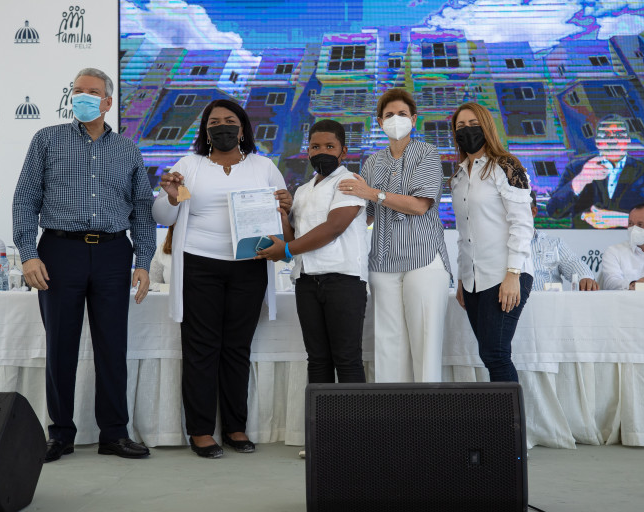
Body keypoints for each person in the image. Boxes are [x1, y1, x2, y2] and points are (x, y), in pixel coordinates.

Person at [12, 68, 155, 462]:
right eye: (77, 90)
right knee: (60, 345)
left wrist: (143, 261)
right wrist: (28, 253)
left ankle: (114, 434)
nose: (83, 97)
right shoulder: (46, 139)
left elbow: (143, 209)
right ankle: (59, 434)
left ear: (108, 101)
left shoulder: (128, 149)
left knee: (113, 345)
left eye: (92, 92)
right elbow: (25, 199)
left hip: (113, 252)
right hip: (60, 251)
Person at [152, 99, 292, 459]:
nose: (222, 127)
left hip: (249, 265)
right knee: (201, 348)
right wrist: (171, 197)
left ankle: (234, 427)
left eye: (230, 120)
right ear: (205, 130)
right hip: (199, 264)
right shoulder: (191, 167)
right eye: (214, 122)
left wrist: (286, 208)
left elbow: (283, 214)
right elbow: (165, 216)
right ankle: (200, 430)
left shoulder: (263, 167)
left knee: (237, 347)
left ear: (242, 128)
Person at [339, 88, 451, 383]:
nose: (396, 119)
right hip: (382, 261)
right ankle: (393, 410)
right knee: (388, 346)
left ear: (414, 119)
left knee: (425, 343)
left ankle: (429, 406)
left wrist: (373, 193)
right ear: (379, 122)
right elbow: (366, 214)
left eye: (402, 114)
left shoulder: (427, 153)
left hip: (423, 258)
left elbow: (419, 205)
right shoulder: (372, 162)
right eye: (389, 115)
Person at [256, 120, 368, 384]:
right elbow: (294, 239)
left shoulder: (349, 182)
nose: (322, 152)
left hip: (344, 280)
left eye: (330, 146)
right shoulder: (303, 190)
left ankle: (355, 415)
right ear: (307, 151)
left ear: (343, 151)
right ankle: (322, 414)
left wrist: (285, 248)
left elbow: (334, 228)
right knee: (317, 359)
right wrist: (283, 216)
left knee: (347, 358)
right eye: (315, 147)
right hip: (306, 281)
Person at [450, 102, 534, 383]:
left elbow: (522, 224)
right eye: (460, 126)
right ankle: (500, 411)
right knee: (489, 355)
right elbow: (465, 234)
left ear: (486, 126)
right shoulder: (458, 176)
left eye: (473, 124)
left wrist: (513, 274)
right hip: (473, 280)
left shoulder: (506, 166)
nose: (467, 130)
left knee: (496, 354)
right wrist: (462, 279)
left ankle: (511, 414)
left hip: (505, 274)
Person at [548, 117, 644, 229]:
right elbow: (554, 211)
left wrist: (623, 220)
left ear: (628, 140)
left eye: (619, 135)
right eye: (606, 136)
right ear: (597, 142)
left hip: (630, 243)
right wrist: (582, 178)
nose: (613, 141)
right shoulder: (576, 168)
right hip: (585, 243)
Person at [529, 190, 598, 291]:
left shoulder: (554, 243)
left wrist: (585, 277)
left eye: (518, 211)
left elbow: (573, 262)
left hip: (549, 300)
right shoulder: (503, 243)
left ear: (533, 212)